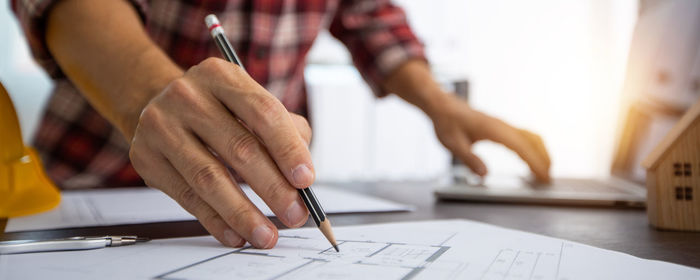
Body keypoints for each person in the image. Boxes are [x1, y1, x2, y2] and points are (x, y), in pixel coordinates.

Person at [12, 0, 551, 249]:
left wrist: (438, 102)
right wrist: (145, 94)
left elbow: (368, 14)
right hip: (91, 182)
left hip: (262, 187)